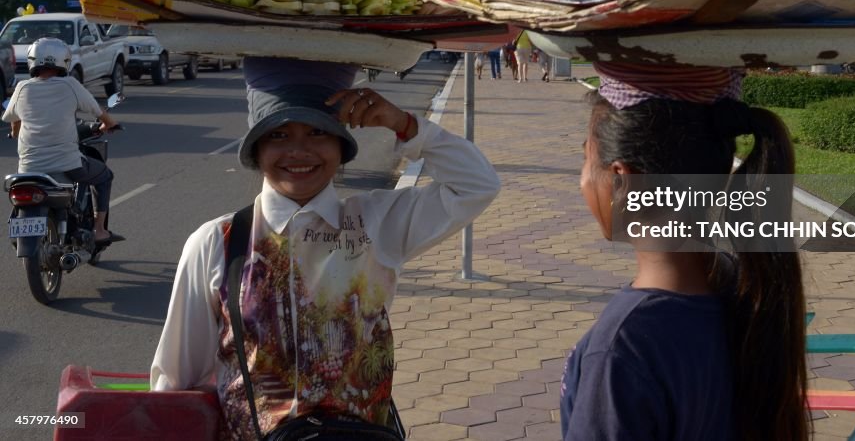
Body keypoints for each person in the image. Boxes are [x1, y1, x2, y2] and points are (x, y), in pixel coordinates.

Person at [151, 58, 500, 438]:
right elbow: (177, 378)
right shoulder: (218, 242)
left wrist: (406, 126)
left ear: (340, 145)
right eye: (279, 136)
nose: (299, 152)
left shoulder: (376, 224)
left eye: (318, 133)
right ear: (256, 149)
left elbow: (476, 185)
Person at [561, 63, 808, 441]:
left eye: (584, 159)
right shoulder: (740, 286)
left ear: (621, 178)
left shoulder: (623, 346)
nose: (580, 180)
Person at [1, 38, 121, 245]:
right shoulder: (70, 84)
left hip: (29, 168)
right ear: (64, 61)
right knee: (104, 176)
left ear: (32, 61)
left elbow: (14, 122)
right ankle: (100, 230)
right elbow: (98, 111)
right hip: (67, 163)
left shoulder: (22, 88)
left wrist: (15, 133)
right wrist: (110, 124)